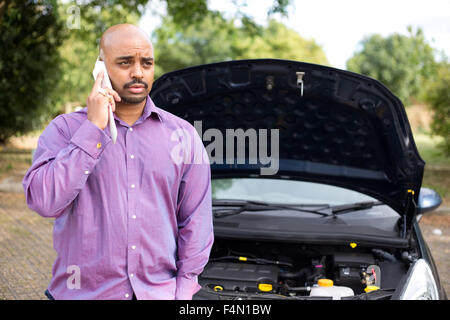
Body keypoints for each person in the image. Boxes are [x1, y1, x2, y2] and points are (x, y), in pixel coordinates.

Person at [22, 24, 214, 300]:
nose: (138, 72)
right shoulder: (64, 130)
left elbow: (196, 223)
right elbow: (44, 201)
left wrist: (182, 292)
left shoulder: (183, 136)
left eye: (146, 63)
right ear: (100, 68)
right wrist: (93, 129)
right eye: (125, 62)